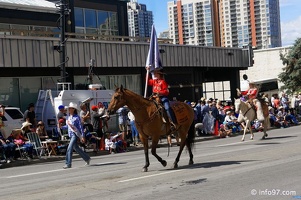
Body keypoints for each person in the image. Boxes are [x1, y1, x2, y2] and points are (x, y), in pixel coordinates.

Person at [59, 102, 91, 169]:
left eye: (70, 108)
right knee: (76, 148)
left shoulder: (77, 117)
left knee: (69, 148)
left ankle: (68, 163)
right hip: (70, 134)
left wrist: (82, 136)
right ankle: (87, 158)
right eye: (69, 108)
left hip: (75, 134)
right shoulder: (68, 117)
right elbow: (67, 127)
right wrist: (61, 127)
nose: (69, 109)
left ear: (73, 109)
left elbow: (80, 127)